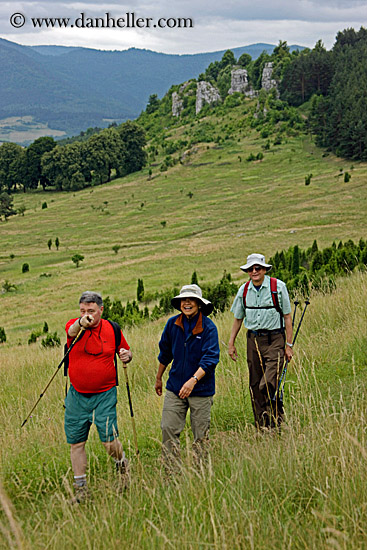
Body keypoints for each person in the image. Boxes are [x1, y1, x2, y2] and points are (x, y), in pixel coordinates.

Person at [64, 291, 132, 501]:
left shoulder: (112, 329)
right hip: (77, 395)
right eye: (83, 311)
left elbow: (126, 352)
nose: (87, 315)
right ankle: (81, 489)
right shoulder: (74, 327)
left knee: (109, 442)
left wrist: (126, 356)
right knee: (76, 442)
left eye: (91, 311)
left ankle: (122, 465)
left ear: (101, 310)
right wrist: (81, 322)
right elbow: (73, 329)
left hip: (105, 394)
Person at [155, 284, 220, 469]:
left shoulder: (209, 327)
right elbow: (165, 353)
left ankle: (200, 472)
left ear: (199, 304)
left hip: (201, 389)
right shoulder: (172, 324)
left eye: (191, 300)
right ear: (179, 304)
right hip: (175, 387)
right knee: (168, 428)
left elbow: (211, 358)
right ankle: (171, 473)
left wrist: (193, 380)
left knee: (200, 434)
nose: (187, 303)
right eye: (184, 300)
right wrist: (159, 378)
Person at [228, 254, 293, 429]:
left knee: (268, 383)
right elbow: (238, 318)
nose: (254, 271)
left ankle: (277, 419)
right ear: (247, 271)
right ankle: (263, 426)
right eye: (251, 269)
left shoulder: (278, 287)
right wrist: (231, 343)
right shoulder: (243, 290)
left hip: (275, 340)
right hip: (253, 341)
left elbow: (287, 317)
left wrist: (289, 345)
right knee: (255, 385)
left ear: (264, 269)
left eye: (258, 268)